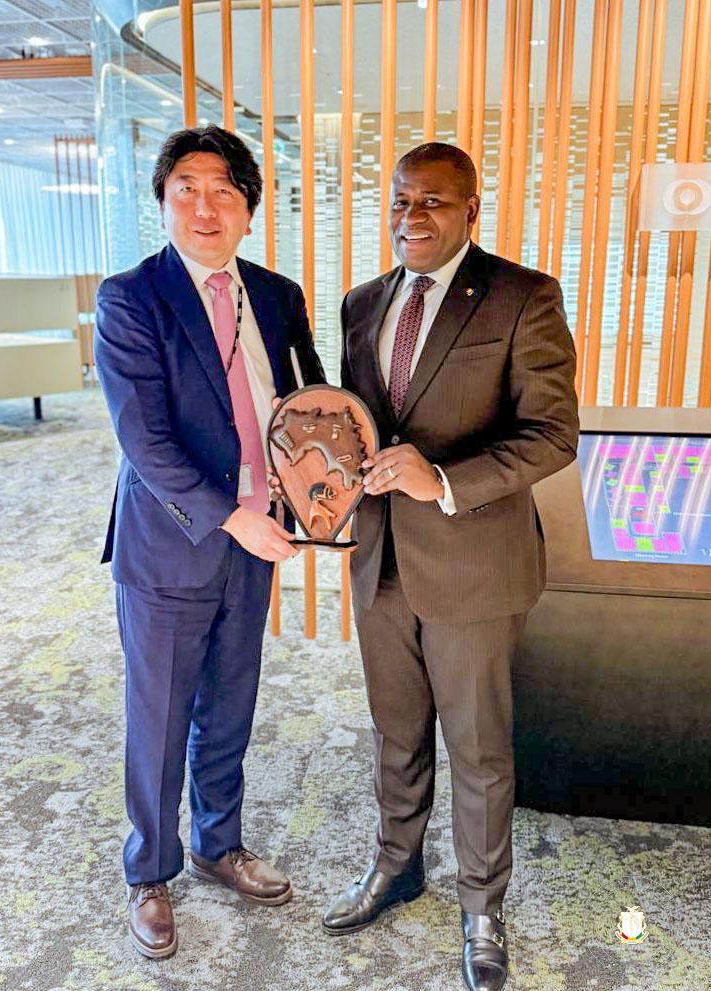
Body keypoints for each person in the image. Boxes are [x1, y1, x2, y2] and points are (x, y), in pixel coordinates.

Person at [322, 142, 579, 991]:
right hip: (379, 562)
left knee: (476, 747)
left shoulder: (522, 295)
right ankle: (397, 865)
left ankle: (481, 906)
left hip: (472, 565)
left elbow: (552, 435)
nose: (411, 217)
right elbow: (356, 425)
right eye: (400, 201)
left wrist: (439, 479)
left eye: (431, 201)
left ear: (471, 209)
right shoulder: (362, 303)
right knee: (395, 732)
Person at [94, 125, 325, 960]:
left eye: (224, 190)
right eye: (185, 188)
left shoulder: (277, 293)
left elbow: (308, 404)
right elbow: (145, 441)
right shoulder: (131, 298)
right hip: (172, 542)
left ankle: (217, 842)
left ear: (249, 211)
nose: (205, 205)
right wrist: (233, 515)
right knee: (160, 715)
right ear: (162, 203)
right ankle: (149, 871)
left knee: (230, 702)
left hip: (256, 541)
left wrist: (319, 488)